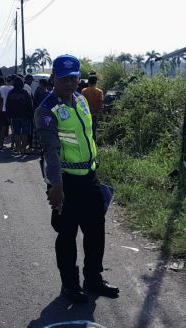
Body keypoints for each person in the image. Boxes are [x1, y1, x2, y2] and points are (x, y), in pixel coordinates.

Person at [34, 54, 119, 303]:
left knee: (96, 232)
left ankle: (93, 279)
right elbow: (50, 151)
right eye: (64, 78)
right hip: (66, 181)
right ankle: (70, 285)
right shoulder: (47, 110)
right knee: (67, 235)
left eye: (74, 78)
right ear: (53, 78)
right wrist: (56, 186)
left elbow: (87, 136)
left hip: (89, 177)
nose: (70, 83)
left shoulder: (81, 100)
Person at [5, 76, 34, 154]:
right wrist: (31, 115)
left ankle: (18, 148)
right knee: (25, 132)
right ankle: (23, 149)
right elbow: (30, 104)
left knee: (16, 132)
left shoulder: (11, 92)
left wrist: (8, 115)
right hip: (25, 115)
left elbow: (7, 105)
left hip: (14, 116)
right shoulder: (25, 92)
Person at [81, 75, 104, 140]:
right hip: (94, 114)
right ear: (96, 82)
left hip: (85, 114)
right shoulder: (99, 92)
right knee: (93, 131)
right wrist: (95, 111)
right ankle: (93, 145)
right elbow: (100, 102)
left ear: (88, 82)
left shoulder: (84, 91)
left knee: (85, 130)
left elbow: (82, 103)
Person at [0, 75, 16, 150]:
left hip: (4, 109)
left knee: (3, 128)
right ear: (12, 81)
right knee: (13, 129)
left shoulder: (1, 88)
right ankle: (12, 145)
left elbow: (0, 98)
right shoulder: (13, 88)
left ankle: (0, 144)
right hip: (12, 110)